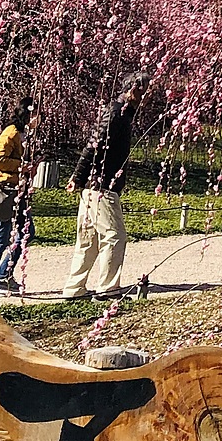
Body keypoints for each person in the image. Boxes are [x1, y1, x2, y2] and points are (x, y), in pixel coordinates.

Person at [62, 75, 142, 300]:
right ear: (132, 89)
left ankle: (74, 288)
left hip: (94, 186)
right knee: (115, 236)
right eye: (142, 90)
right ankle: (108, 289)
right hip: (102, 186)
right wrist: (78, 176)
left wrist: (80, 179)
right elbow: (93, 145)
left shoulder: (121, 113)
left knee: (88, 239)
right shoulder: (116, 113)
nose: (145, 96)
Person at [0, 97, 33, 294]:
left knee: (26, 233)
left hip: (18, 190)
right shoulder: (11, 133)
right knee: (2, 237)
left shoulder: (25, 134)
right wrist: (22, 167)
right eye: (37, 115)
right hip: (5, 191)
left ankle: (4, 272)